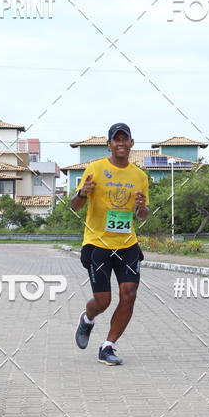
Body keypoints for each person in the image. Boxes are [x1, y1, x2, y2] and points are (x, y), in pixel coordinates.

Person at [71, 123, 149, 366]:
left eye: (125, 139)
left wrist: (142, 207)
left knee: (129, 293)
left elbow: (142, 215)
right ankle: (87, 319)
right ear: (110, 144)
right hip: (98, 243)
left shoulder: (140, 176)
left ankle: (108, 346)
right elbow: (75, 206)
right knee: (103, 301)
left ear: (131, 144)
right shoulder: (95, 169)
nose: (121, 143)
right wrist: (83, 193)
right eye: (117, 139)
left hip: (127, 244)